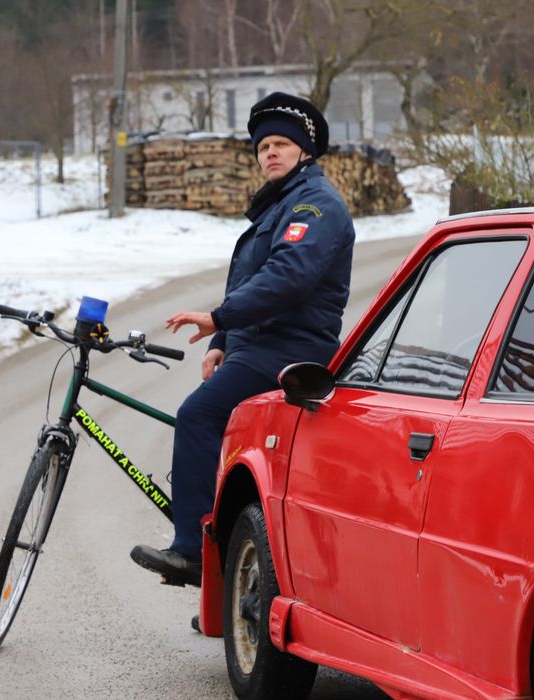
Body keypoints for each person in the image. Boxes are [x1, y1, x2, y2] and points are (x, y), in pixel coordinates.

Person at [130, 92, 356, 589]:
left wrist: (217, 317)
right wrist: (222, 340)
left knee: (198, 416)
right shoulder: (278, 205)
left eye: (281, 144)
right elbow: (250, 282)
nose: (270, 153)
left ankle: (193, 553)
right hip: (258, 346)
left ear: (304, 150)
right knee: (232, 451)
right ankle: (229, 573)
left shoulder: (315, 206)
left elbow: (288, 278)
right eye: (263, 147)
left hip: (292, 349)